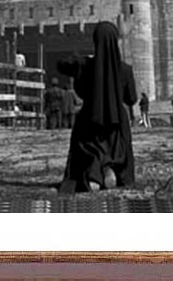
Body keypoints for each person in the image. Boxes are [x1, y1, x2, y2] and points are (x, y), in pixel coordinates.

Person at [58, 21, 137, 192]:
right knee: (116, 143)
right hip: (116, 120)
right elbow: (132, 99)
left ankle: (93, 175)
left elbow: (61, 65)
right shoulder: (125, 69)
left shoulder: (85, 66)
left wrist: (81, 59)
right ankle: (110, 168)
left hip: (90, 116)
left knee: (88, 145)